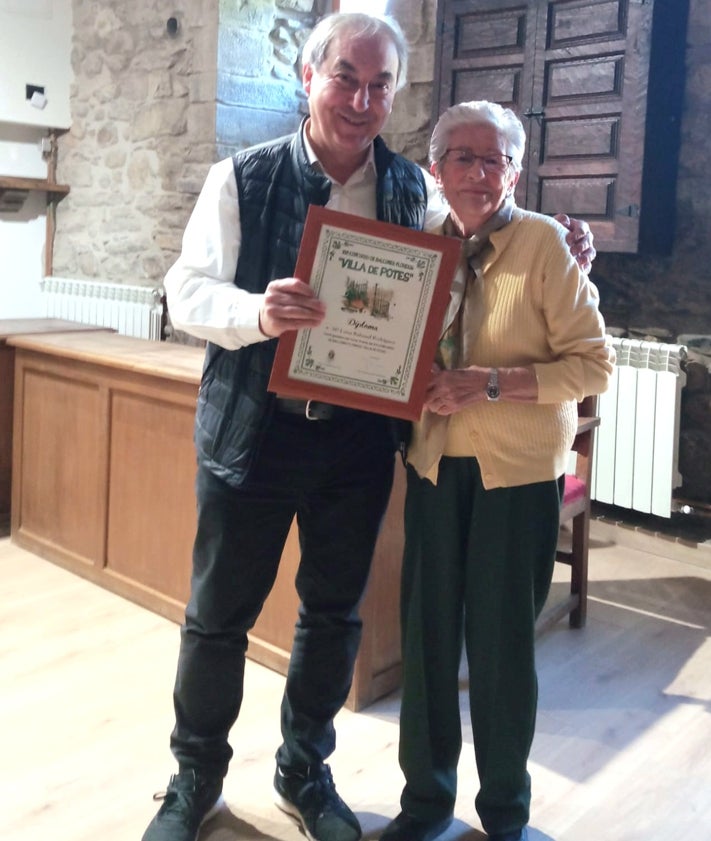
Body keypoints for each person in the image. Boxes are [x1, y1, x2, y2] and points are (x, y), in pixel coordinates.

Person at [141, 13, 597, 841]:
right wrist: (255, 309)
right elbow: (183, 293)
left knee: (332, 615)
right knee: (218, 616)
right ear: (307, 79)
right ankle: (194, 775)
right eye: (346, 77)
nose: (361, 98)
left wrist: (568, 253)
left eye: (380, 84)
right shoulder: (238, 176)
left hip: (354, 441)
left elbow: (469, 248)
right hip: (254, 431)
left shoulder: (409, 189)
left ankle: (303, 769)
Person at [378, 101, 615, 841]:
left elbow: (593, 365)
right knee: (424, 638)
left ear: (514, 170)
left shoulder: (546, 244)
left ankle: (504, 813)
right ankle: (423, 804)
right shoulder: (418, 244)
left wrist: (485, 382)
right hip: (431, 466)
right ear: (435, 166)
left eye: (494, 160)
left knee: (502, 645)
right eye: (462, 157)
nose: (477, 174)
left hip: (515, 477)